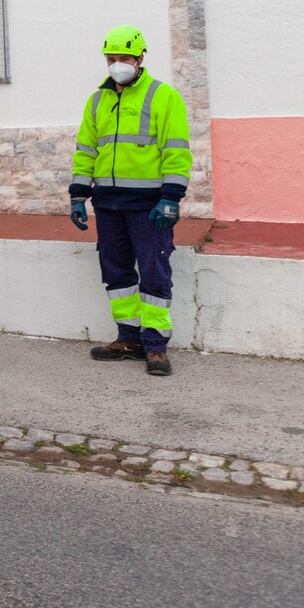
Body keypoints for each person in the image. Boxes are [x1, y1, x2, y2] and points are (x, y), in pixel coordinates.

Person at [68, 25, 191, 376]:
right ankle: (128, 338)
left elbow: (177, 152)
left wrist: (171, 198)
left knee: (154, 273)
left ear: (140, 59)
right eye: (111, 58)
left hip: (148, 205)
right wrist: (79, 195)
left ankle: (155, 346)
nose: (116, 64)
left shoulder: (163, 96)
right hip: (107, 205)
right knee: (117, 272)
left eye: (123, 58)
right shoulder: (97, 100)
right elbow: (86, 151)